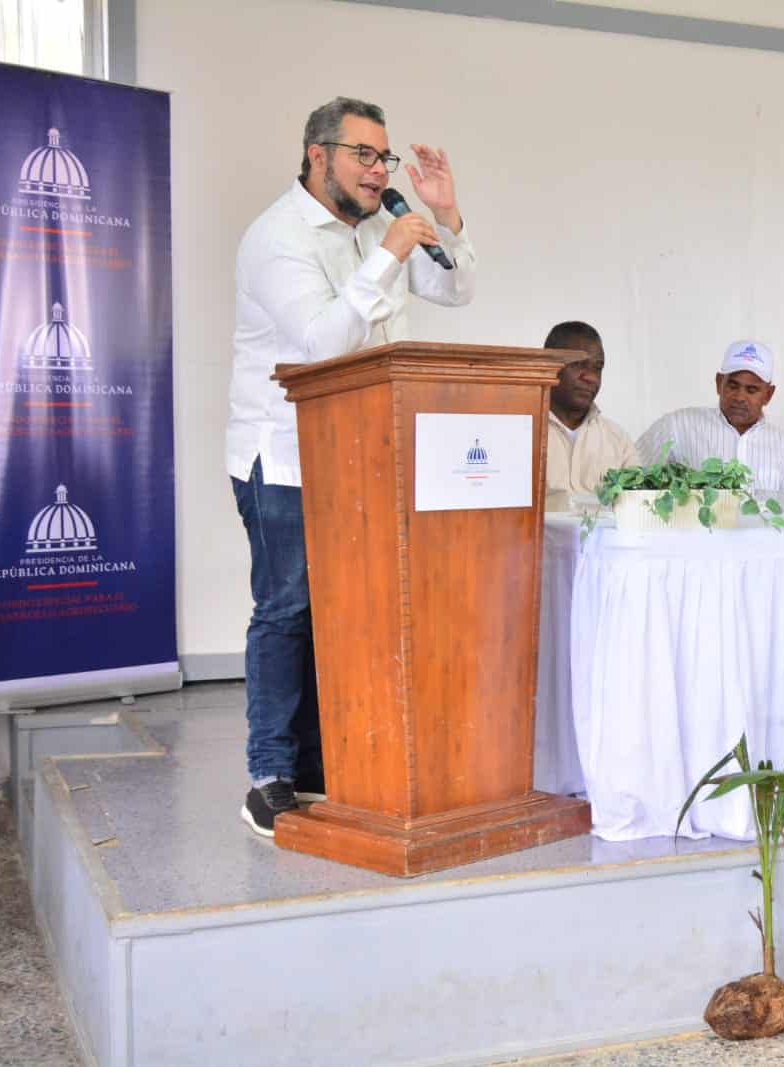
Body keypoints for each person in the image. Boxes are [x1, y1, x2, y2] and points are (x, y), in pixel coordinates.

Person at [226, 97, 477, 836]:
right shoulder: (278, 238)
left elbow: (457, 288)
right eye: (364, 155)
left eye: (384, 157)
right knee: (286, 609)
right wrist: (391, 250)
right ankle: (268, 774)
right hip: (284, 458)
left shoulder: (376, 231)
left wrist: (448, 217)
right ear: (317, 155)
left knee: (339, 613)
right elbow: (319, 346)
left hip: (361, 456)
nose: (379, 171)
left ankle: (317, 765)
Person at [635, 340, 784, 506]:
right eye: (733, 386)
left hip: (766, 535)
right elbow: (632, 472)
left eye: (751, 390)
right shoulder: (679, 426)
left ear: (768, 395)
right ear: (719, 383)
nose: (740, 397)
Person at [543, 320, 638, 509]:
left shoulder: (618, 440)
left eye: (598, 367)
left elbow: (635, 510)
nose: (591, 377)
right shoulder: (522, 432)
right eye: (579, 364)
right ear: (549, 364)